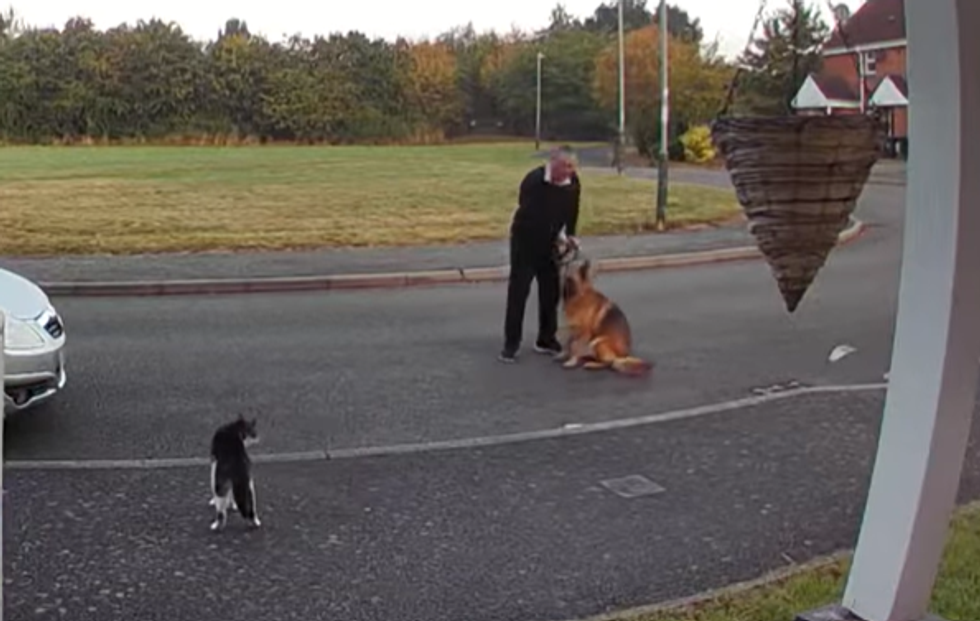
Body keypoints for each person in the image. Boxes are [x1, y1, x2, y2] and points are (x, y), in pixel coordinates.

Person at [499, 146, 581, 363]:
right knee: (518, 293)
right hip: (525, 243)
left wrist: (570, 234)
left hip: (550, 245)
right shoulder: (534, 181)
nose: (569, 171)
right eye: (565, 166)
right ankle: (511, 343)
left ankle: (546, 339)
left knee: (550, 293)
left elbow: (572, 210)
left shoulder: (573, 183)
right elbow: (527, 211)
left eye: (572, 167)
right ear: (553, 162)